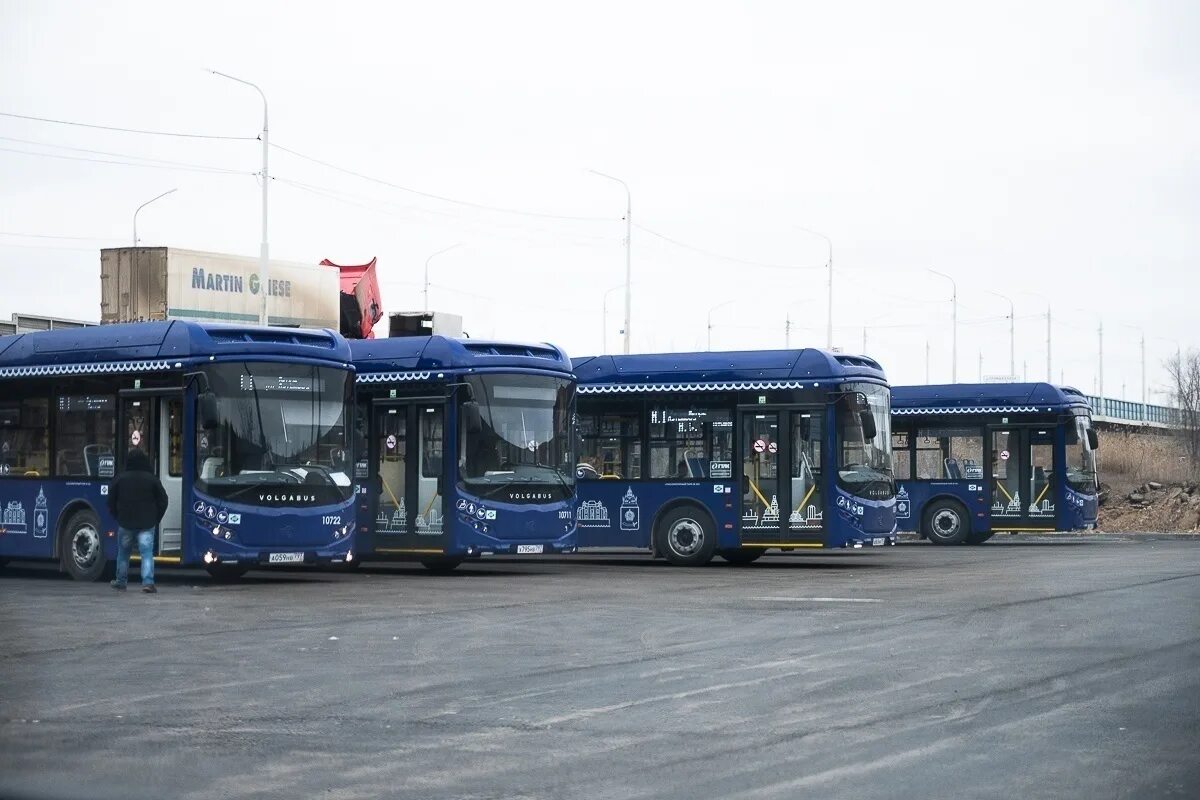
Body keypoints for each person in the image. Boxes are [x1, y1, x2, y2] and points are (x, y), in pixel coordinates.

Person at [107, 448, 169, 593]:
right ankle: (148, 582)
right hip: (147, 524)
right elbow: (163, 500)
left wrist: (118, 516)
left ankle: (121, 581)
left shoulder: (120, 478)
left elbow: (110, 500)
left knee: (123, 554)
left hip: (125, 523)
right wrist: (156, 518)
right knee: (146, 553)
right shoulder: (151, 479)